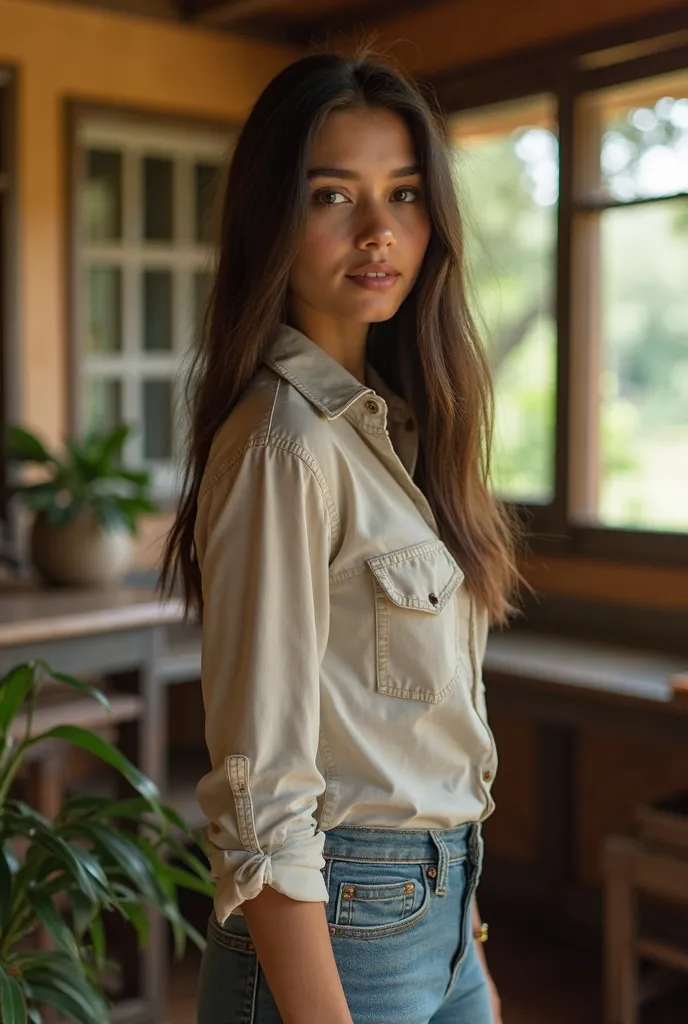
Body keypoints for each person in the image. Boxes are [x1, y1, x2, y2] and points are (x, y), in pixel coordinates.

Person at [162, 50, 520, 1024]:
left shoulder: (393, 433)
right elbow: (261, 795)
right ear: (273, 216)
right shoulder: (285, 448)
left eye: (403, 194)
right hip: (333, 935)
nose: (378, 231)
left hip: (436, 917)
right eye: (333, 194)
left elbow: (421, 739)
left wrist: (467, 952)